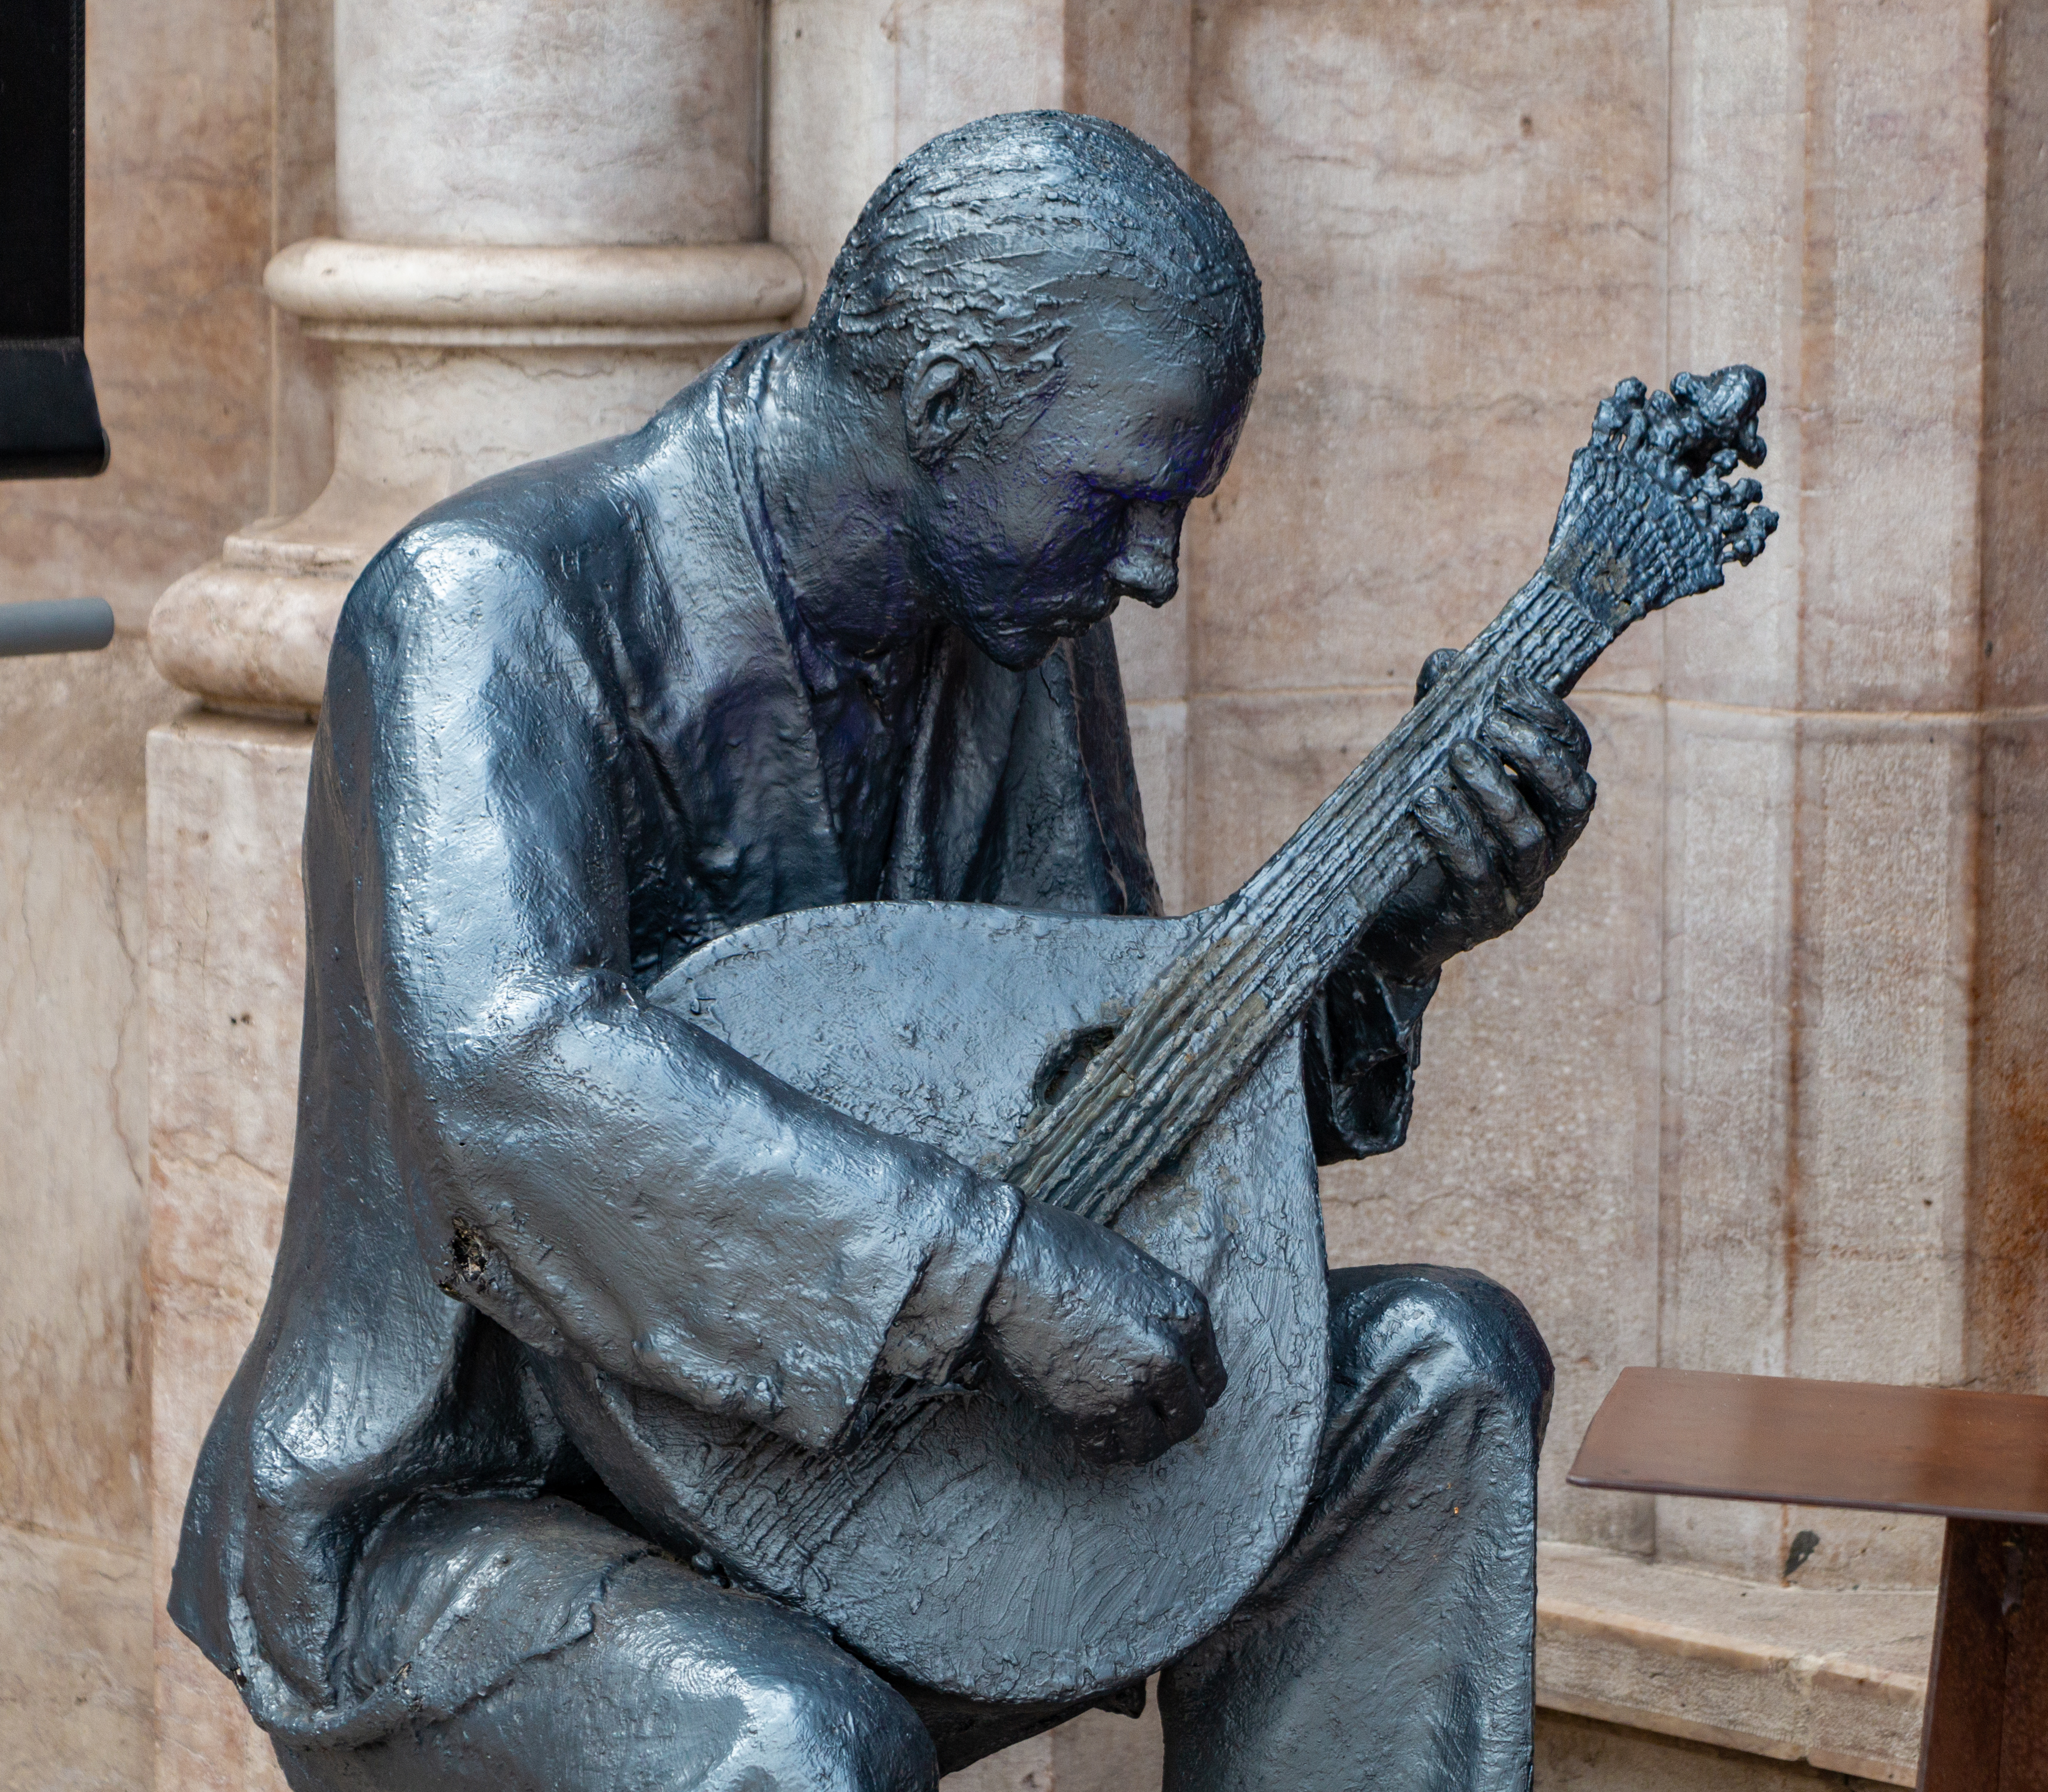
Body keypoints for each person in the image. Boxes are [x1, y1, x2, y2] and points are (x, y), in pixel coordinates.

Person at [172, 112, 1591, 1792]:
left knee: (1438, 1374)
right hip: (485, 1506)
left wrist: (1387, 941)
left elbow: (1115, 1081)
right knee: (791, 1747)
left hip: (905, 1476)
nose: (1151, 570)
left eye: (1182, 508)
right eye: (1119, 499)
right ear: (937, 410)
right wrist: (986, 1277)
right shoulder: (489, 602)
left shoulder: (1013, 618)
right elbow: (514, 1075)